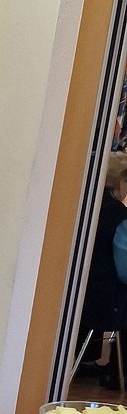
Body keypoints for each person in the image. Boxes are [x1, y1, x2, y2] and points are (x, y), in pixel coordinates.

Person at [76, 151, 127, 388]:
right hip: (107, 302)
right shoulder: (120, 217)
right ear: (121, 181)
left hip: (82, 296)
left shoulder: (86, 208)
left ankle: (86, 360)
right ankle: (118, 373)